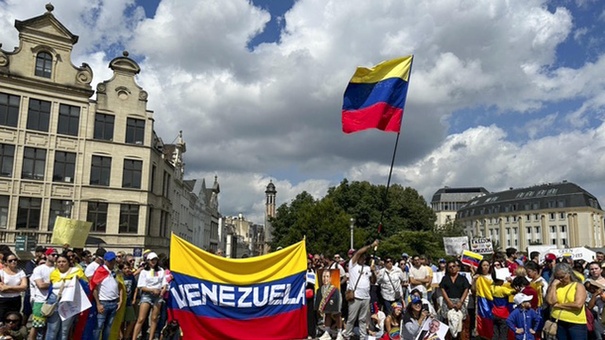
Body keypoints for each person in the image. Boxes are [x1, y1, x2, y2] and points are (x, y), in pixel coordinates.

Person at [45, 254, 88, 340]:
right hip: (55, 301)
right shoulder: (54, 273)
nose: (61, 264)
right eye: (59, 262)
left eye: (64, 261)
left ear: (69, 263)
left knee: (64, 331)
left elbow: (85, 287)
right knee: (52, 329)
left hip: (69, 303)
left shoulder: (77, 271)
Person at [343, 240, 379, 340]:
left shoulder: (367, 268)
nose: (362, 257)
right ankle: (347, 334)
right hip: (356, 295)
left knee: (363, 319)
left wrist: (373, 271)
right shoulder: (352, 265)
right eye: (361, 256)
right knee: (351, 318)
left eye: (364, 257)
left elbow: (373, 281)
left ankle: (363, 336)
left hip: (366, 297)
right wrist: (372, 245)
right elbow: (358, 252)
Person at [546, 262, 588, 340]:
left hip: (576, 323)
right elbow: (551, 301)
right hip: (559, 321)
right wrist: (553, 285)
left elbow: (578, 305)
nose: (560, 280)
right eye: (557, 277)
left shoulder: (578, 285)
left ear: (569, 274)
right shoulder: (556, 286)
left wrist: (558, 305)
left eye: (562, 277)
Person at [131, 252, 168, 340]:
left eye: (155, 259)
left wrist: (163, 289)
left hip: (158, 296)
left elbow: (164, 283)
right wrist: (152, 290)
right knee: (141, 318)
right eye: (151, 260)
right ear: (148, 261)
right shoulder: (144, 271)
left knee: (154, 318)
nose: (153, 261)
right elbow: (141, 286)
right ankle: (134, 337)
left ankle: (150, 338)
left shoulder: (160, 270)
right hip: (147, 295)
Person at [90, 251, 123, 340]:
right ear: (104, 260)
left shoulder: (116, 272)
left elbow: (120, 286)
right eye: (109, 260)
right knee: (98, 327)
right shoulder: (100, 271)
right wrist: (98, 303)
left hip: (114, 302)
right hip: (103, 303)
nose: (111, 262)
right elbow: (94, 288)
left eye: (113, 260)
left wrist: (120, 300)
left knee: (108, 328)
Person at [29, 248, 57, 340]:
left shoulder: (57, 269)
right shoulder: (39, 269)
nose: (55, 257)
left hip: (54, 302)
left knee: (51, 329)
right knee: (39, 330)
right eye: (53, 255)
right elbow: (40, 285)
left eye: (57, 255)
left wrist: (47, 284)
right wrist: (55, 284)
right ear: (47, 255)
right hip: (40, 301)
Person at [315, 270, 343, 340]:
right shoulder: (319, 290)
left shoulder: (335, 289)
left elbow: (338, 297)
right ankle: (327, 332)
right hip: (327, 307)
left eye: (327, 276)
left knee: (337, 315)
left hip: (335, 304)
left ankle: (339, 333)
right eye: (324, 276)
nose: (325, 278)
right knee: (327, 314)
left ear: (330, 278)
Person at [0, 253, 27, 321]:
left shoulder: (21, 272)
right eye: (10, 260)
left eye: (15, 260)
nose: (13, 262)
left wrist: (8, 287)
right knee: (2, 321)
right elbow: (2, 288)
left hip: (16, 299)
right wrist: (18, 288)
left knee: (14, 320)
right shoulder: (1, 272)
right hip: (3, 300)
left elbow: (24, 286)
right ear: (6, 262)